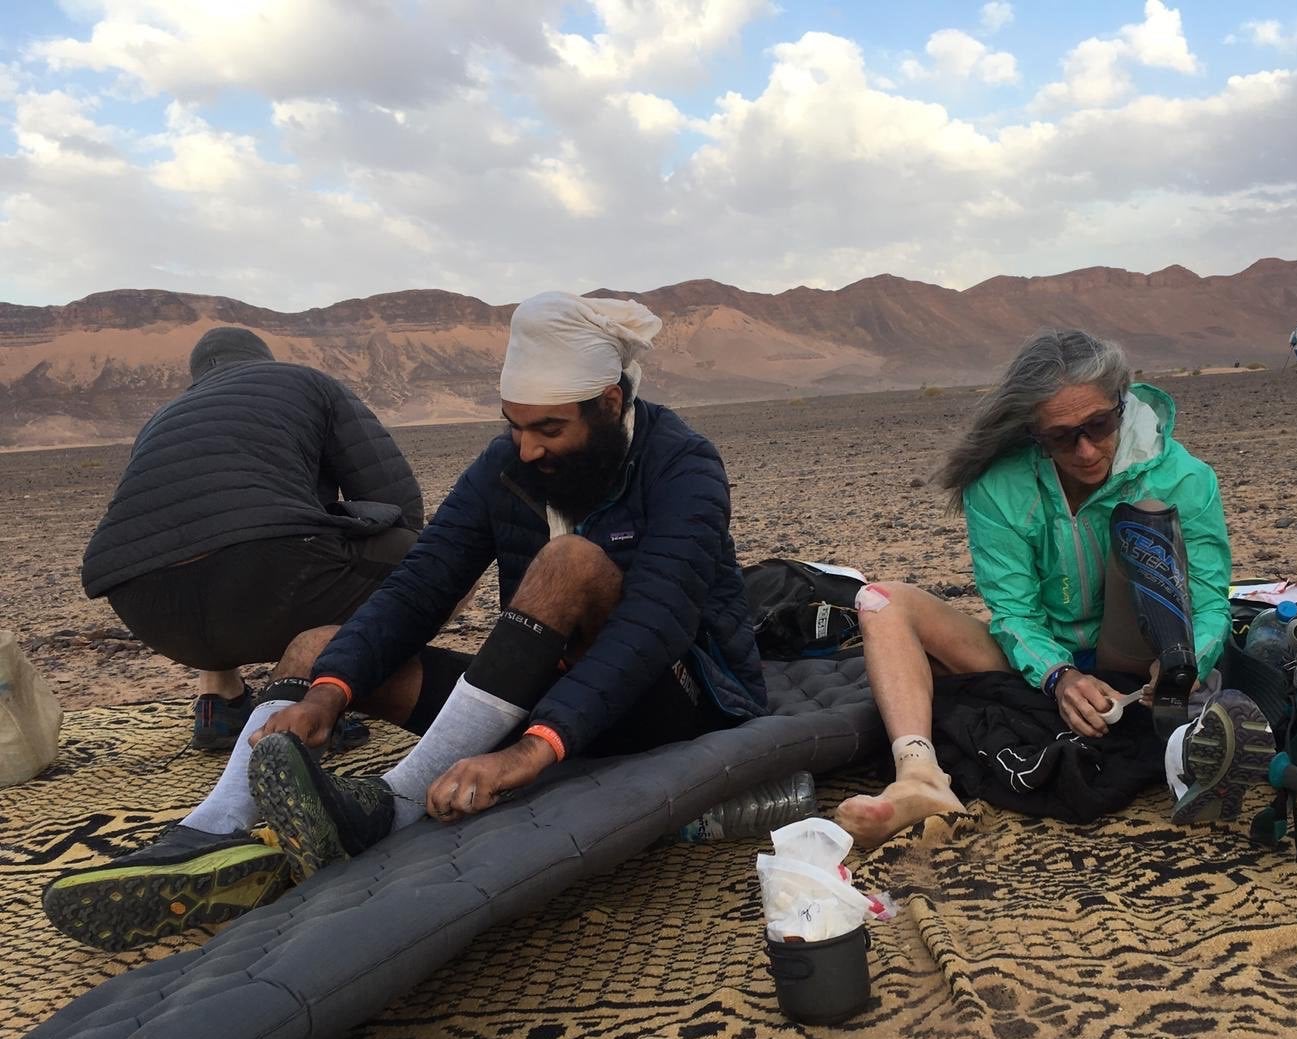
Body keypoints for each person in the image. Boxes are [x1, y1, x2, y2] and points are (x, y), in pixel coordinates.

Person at [44, 294, 767, 951]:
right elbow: (418, 586)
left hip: (677, 697)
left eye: (549, 429)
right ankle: (210, 831)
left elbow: (658, 622)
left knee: (570, 561)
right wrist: (328, 695)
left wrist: (529, 754)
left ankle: (392, 808)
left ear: (609, 403)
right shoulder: (506, 465)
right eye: (514, 427)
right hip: (547, 693)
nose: (528, 449)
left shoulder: (681, 462)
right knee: (316, 646)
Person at [834, 330, 1260, 851]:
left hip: (1136, 649)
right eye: (1061, 437)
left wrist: (1182, 661)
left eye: (1099, 426)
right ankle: (921, 777)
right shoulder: (997, 486)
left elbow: (1210, 601)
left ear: (1122, 403)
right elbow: (1014, 613)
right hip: (1042, 657)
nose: (1084, 451)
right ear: (1033, 432)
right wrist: (1059, 676)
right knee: (881, 603)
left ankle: (1178, 722)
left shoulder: (1184, 478)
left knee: (1148, 520)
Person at [81, 328, 424, 749]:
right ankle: (324, 696)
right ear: (264, 357)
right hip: (267, 578)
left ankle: (218, 703)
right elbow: (396, 499)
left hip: (147, 610)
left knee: (209, 540)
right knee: (433, 559)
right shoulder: (307, 382)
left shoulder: (164, 416)